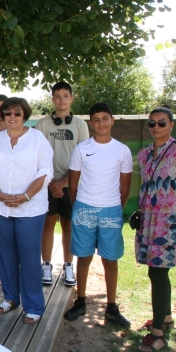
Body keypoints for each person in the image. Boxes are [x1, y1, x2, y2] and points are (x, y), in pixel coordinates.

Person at [0, 97, 53, 324]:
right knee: (5, 255)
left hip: (30, 209)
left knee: (29, 257)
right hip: (0, 207)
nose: (12, 117)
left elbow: (45, 172)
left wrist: (26, 196)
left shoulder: (37, 139)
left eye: (17, 113)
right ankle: (11, 298)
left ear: (25, 115)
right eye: (7, 112)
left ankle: (34, 306)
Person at [64, 103, 132, 328]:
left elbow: (125, 187)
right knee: (83, 257)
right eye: (96, 119)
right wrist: (79, 207)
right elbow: (73, 184)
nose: (101, 123)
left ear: (112, 120)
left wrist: (114, 207)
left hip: (111, 210)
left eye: (105, 118)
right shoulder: (82, 149)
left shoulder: (122, 150)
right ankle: (80, 301)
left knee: (110, 259)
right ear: (91, 123)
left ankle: (112, 307)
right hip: (84, 208)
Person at [136, 107, 176, 352]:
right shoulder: (144, 154)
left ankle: (157, 335)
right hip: (149, 220)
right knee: (155, 271)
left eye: (161, 122)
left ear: (171, 124)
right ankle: (166, 318)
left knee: (158, 273)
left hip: (171, 223)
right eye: (152, 123)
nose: (156, 127)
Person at [36, 82, 89, 287]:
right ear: (52, 100)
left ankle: (68, 266)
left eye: (65, 96)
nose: (61, 100)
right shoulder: (43, 124)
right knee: (48, 224)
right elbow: (38, 156)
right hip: (47, 184)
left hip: (72, 185)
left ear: (71, 99)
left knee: (68, 225)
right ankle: (46, 265)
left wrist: (63, 183)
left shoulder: (80, 125)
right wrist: (52, 183)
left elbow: (83, 156)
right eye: (57, 96)